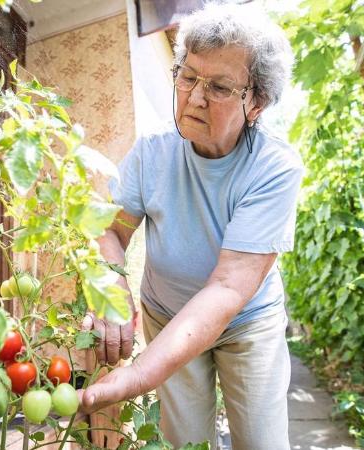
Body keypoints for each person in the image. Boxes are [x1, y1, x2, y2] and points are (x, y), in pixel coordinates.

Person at [78, 4, 302, 449]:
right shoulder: (153, 151)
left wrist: (139, 375)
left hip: (248, 323)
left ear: (256, 103)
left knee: (261, 441)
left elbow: (228, 288)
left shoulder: (274, 168)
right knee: (185, 442)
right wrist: (113, 288)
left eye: (219, 87)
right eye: (188, 76)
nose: (195, 97)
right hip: (167, 314)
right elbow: (110, 230)